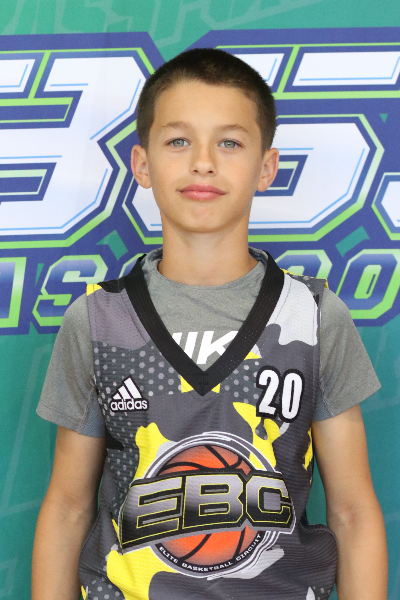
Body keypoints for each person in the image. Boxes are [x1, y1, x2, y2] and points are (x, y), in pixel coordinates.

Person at [32, 48, 387, 600]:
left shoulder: (314, 316)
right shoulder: (99, 320)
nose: (203, 162)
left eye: (230, 143)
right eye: (178, 141)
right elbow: (67, 507)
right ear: (142, 164)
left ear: (266, 167)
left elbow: (353, 511)